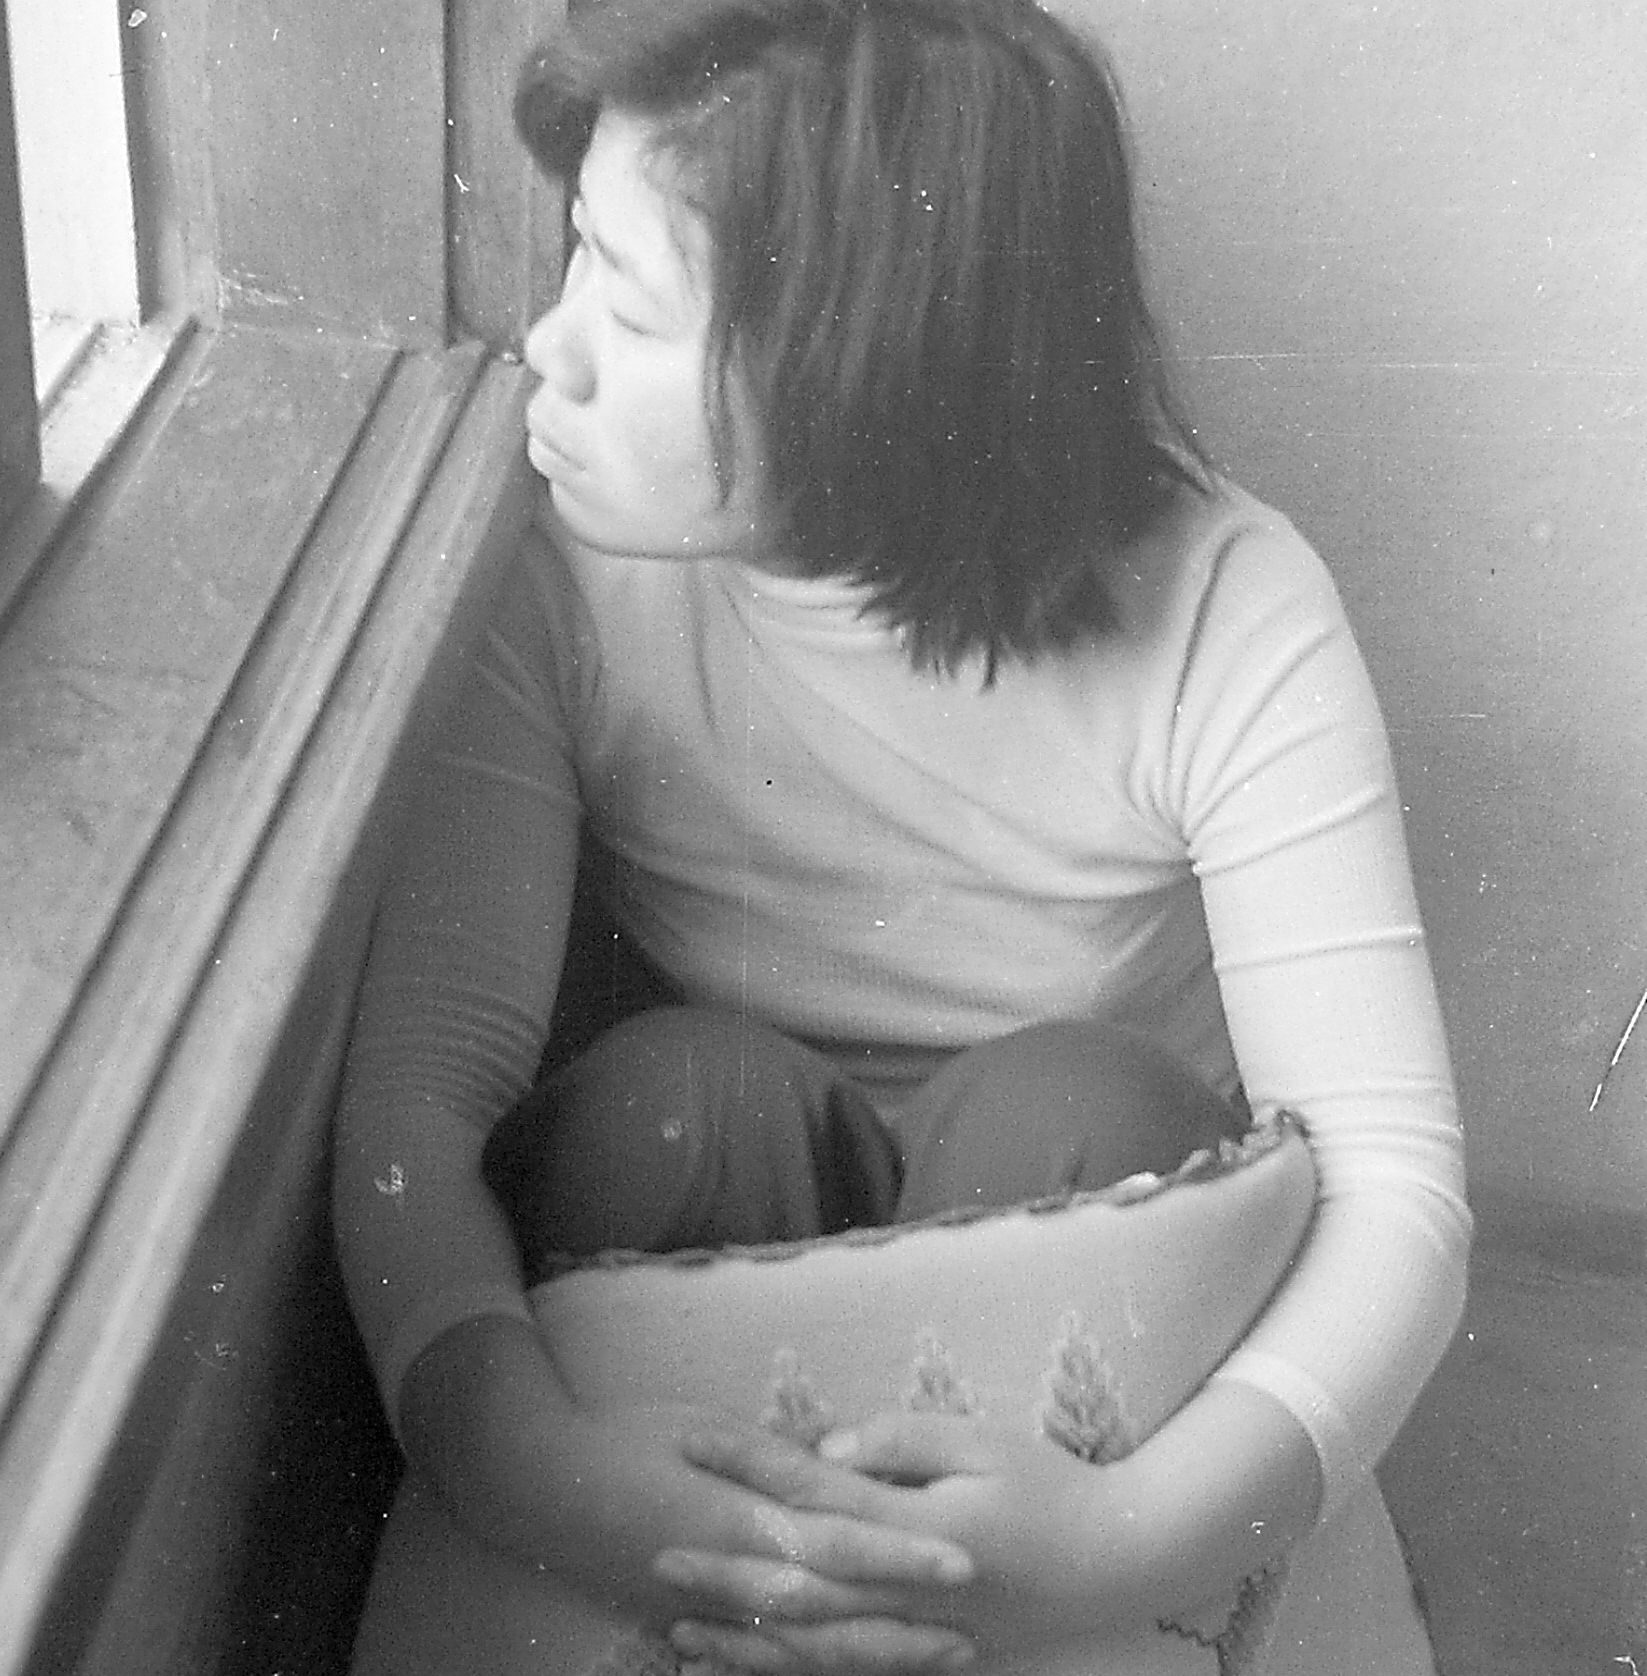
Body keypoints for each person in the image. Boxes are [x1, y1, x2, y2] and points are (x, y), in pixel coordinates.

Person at [333, 1, 1472, 1670]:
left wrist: (1112, 1549)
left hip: (1079, 1296)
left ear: (859, 367)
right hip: (722, 1265)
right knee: (673, 1104)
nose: (546, 351)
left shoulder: (1230, 607)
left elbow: (1395, 1195)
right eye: (577, 251)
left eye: (628, 310)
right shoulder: (553, 564)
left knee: (1070, 1107)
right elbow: (424, 1099)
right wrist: (532, 1467)